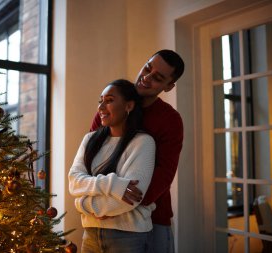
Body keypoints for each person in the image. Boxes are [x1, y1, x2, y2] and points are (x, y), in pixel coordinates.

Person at [90, 50, 185, 253]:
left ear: (169, 87)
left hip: (152, 217)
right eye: (147, 68)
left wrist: (114, 208)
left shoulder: (170, 120)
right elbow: (90, 156)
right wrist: (102, 205)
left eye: (158, 78)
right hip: (99, 216)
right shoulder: (110, 106)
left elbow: (164, 174)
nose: (146, 77)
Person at [68, 79, 156, 253]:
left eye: (109, 101)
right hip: (91, 233)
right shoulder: (90, 139)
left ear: (129, 106)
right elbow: (74, 182)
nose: (100, 108)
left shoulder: (143, 143)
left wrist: (82, 203)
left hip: (128, 237)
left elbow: (130, 199)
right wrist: (116, 185)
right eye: (100, 101)